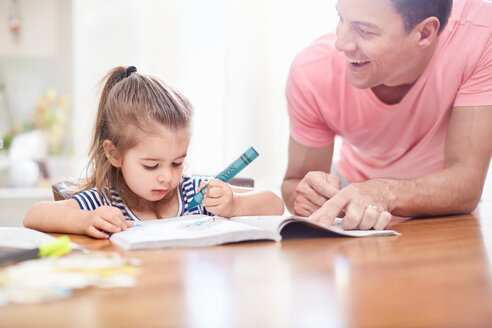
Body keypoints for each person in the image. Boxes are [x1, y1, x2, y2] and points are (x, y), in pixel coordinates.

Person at [282, 0, 492, 230]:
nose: (340, 43)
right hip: (353, 194)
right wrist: (309, 198)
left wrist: (382, 192)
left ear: (424, 33)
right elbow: (296, 183)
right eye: (341, 19)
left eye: (364, 30)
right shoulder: (313, 72)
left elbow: (466, 180)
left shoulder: (480, 34)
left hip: (445, 210)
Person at [24, 66, 284, 239]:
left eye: (177, 162)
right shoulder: (105, 202)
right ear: (114, 154)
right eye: (151, 166)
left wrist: (234, 204)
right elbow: (34, 215)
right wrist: (85, 220)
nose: (167, 178)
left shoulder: (194, 193)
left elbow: (275, 204)